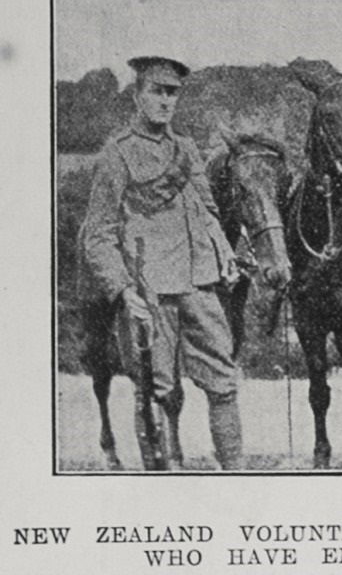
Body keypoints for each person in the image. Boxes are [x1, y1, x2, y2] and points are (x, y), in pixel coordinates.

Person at [80, 55, 243, 470]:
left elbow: (208, 210)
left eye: (173, 93)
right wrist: (122, 290)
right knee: (155, 390)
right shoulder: (116, 155)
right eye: (157, 91)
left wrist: (223, 247)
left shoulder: (186, 149)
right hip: (149, 289)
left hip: (199, 283)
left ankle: (239, 476)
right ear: (138, 96)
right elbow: (97, 235)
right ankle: (160, 479)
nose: (166, 101)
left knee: (224, 382)